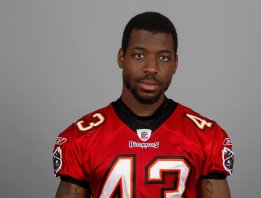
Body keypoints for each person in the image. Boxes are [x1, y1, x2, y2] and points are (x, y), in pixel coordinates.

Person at [53, 11, 234, 198]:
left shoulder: (206, 136)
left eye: (163, 57)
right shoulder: (82, 138)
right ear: (121, 58)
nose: (152, 68)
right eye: (139, 55)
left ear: (175, 64)